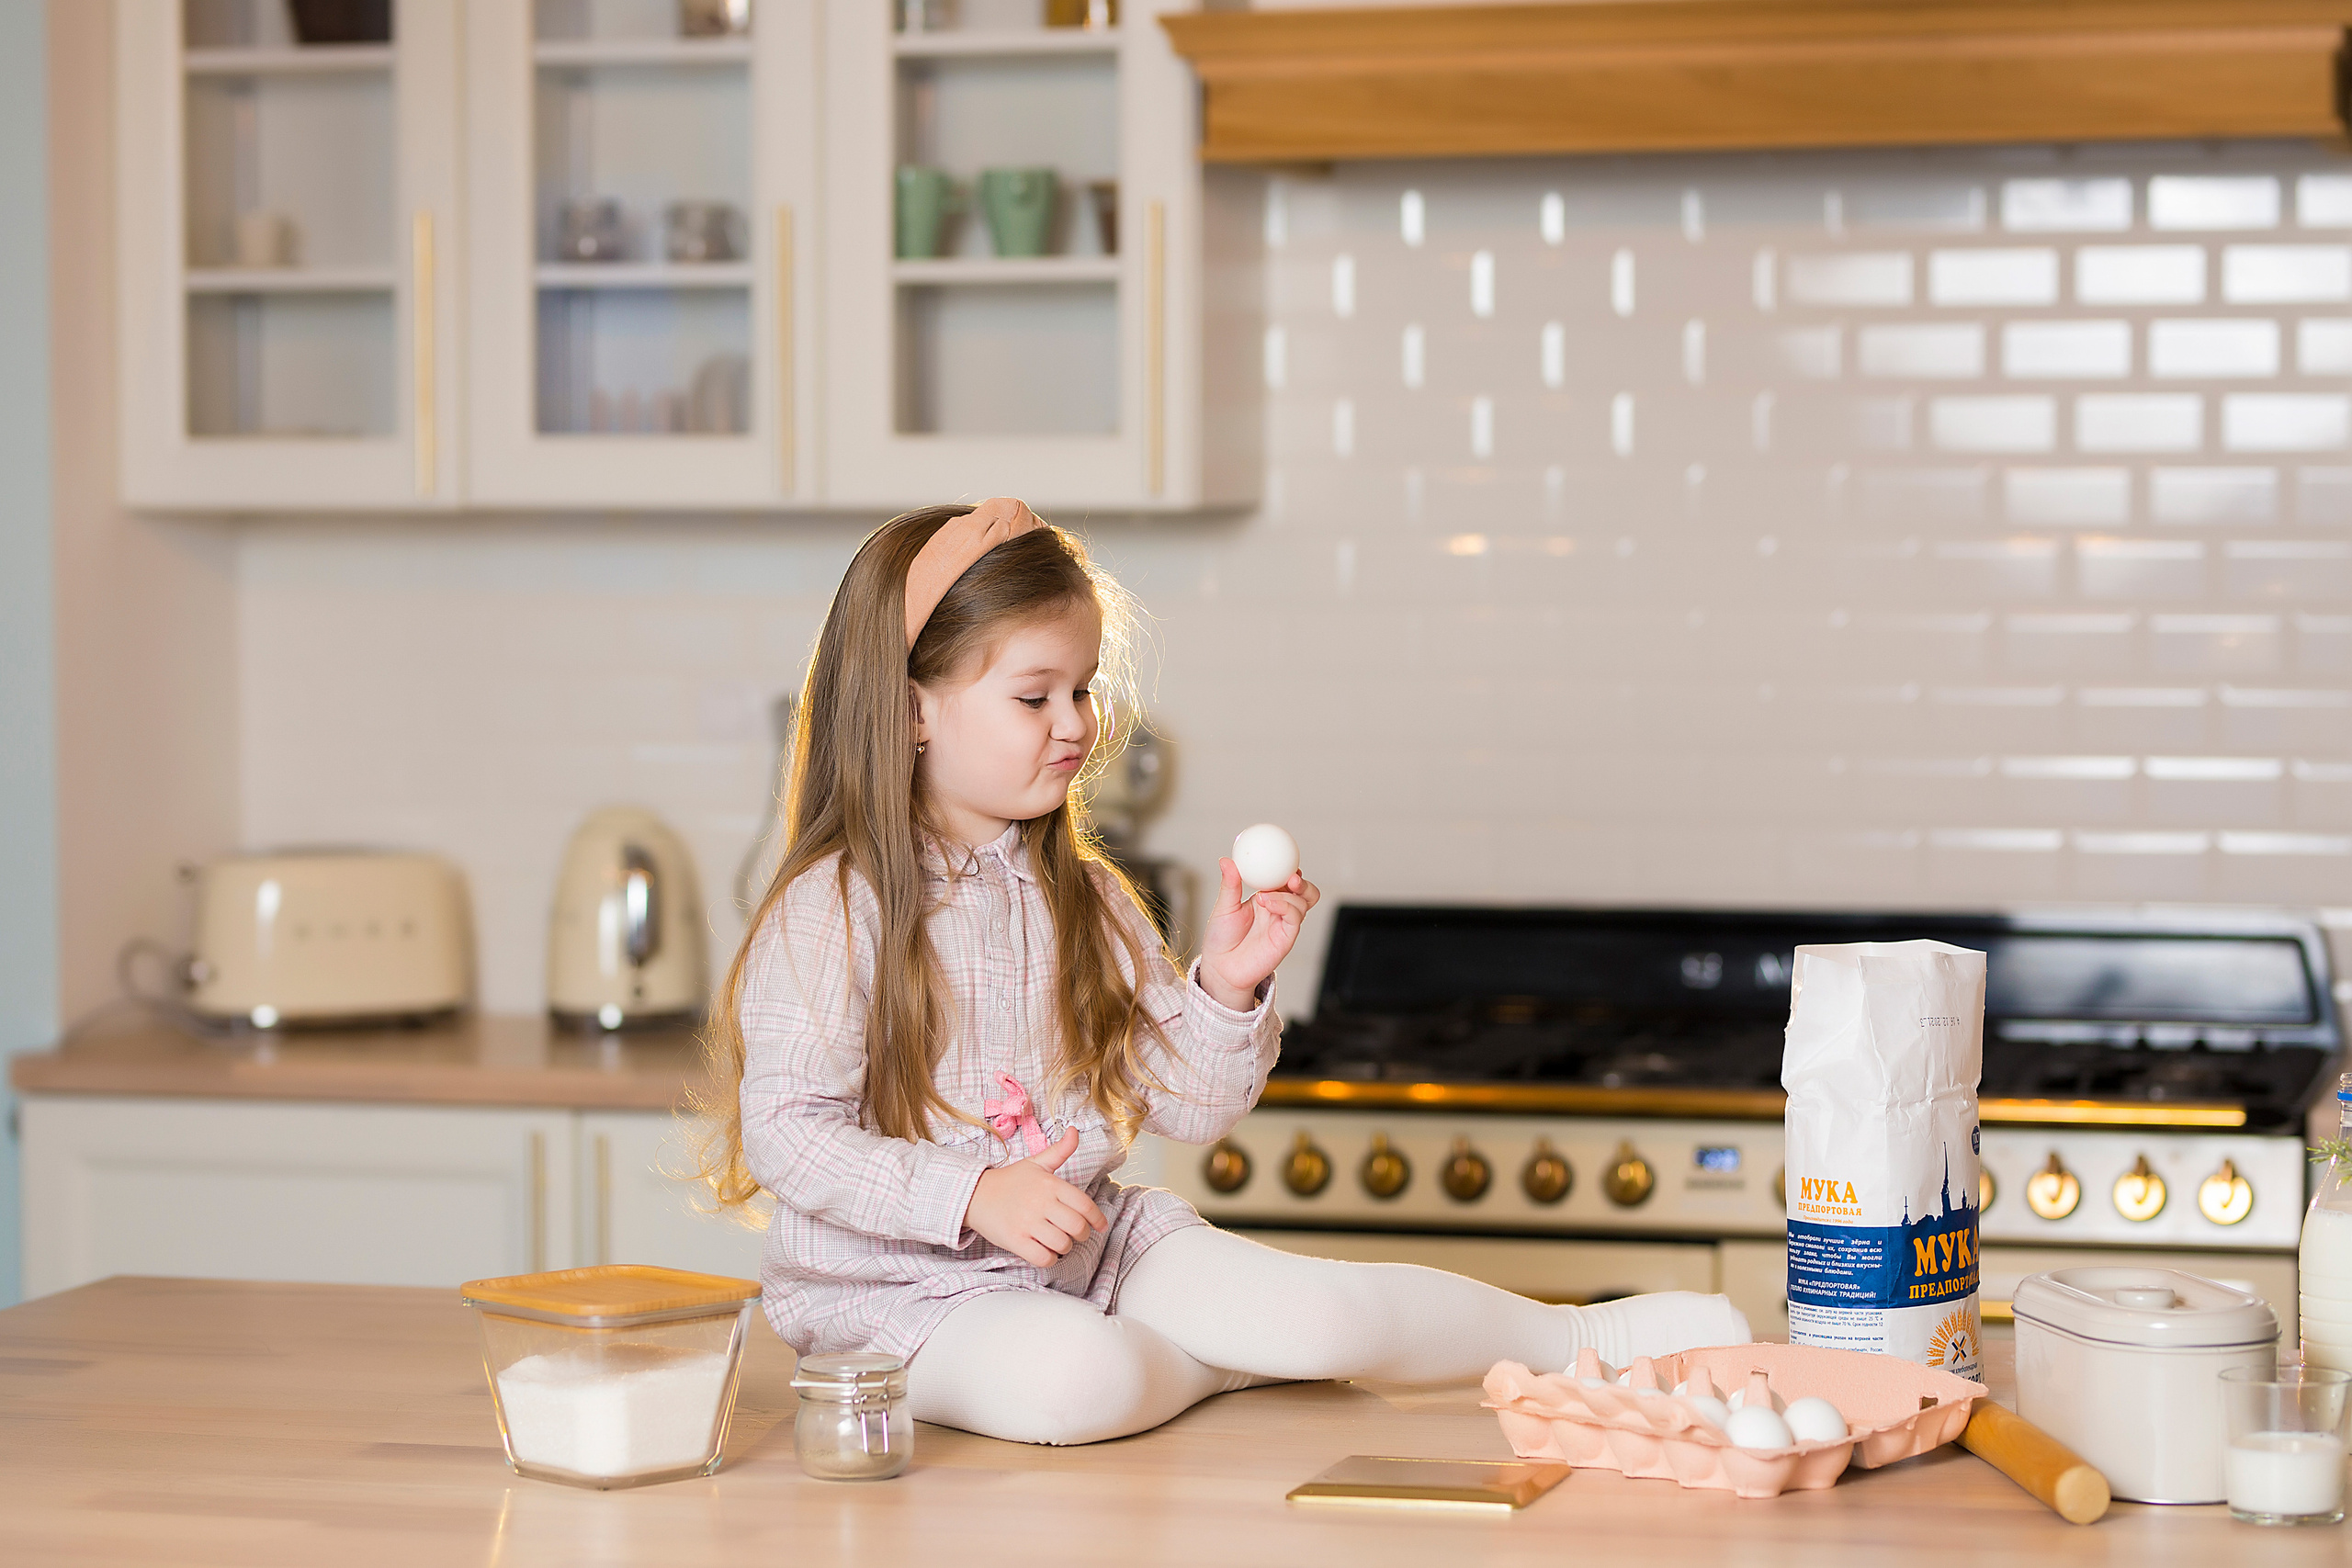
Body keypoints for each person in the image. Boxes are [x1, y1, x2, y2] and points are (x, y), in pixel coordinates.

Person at [698, 498, 1748, 1446]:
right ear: (913, 707)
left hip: (1092, 1254)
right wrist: (970, 1191)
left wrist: (1228, 987)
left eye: (1082, 688)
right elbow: (790, 1130)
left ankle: (1590, 1344)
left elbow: (1189, 1105)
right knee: (1077, 1383)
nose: (1076, 725)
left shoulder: (1087, 896)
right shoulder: (833, 909)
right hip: (897, 1297)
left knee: (1327, 1311)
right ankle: (1239, 1364)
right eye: (1034, 696)